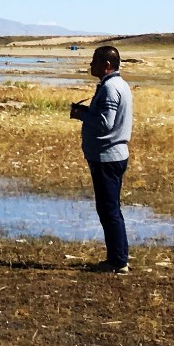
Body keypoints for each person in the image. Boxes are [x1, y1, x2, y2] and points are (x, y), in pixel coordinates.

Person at [70, 44, 133, 273]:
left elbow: (106, 123)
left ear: (106, 65)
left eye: (94, 60)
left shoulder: (110, 89)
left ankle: (118, 261)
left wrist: (81, 114)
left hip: (107, 157)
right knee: (111, 208)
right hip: (112, 155)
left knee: (108, 209)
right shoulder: (119, 85)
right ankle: (118, 257)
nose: (90, 64)